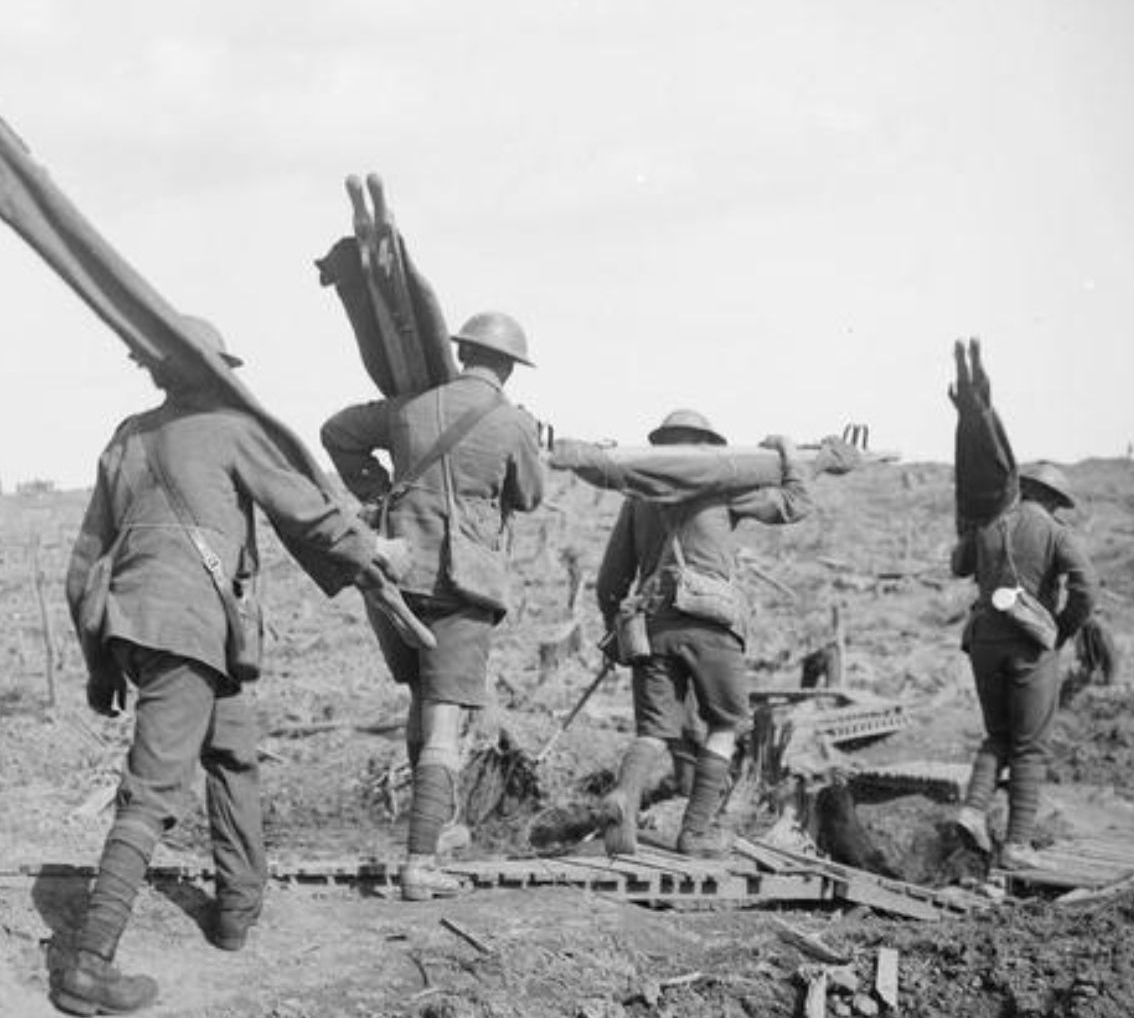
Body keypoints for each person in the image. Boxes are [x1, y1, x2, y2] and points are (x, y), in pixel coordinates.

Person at [55, 315, 408, 1017]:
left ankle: (236, 913)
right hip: (190, 630)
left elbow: (80, 571)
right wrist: (375, 553)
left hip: (155, 631)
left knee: (232, 752)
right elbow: (307, 513)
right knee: (152, 792)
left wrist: (100, 668)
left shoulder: (127, 437)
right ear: (215, 370)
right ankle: (89, 965)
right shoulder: (230, 429)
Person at [321, 311, 546, 899]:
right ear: (509, 369)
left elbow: (336, 431)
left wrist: (379, 494)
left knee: (422, 700)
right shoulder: (512, 422)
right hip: (460, 584)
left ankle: (436, 827)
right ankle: (421, 864)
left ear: (464, 353)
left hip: (393, 576)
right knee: (445, 721)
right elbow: (530, 496)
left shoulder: (410, 405)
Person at [592, 409, 810, 857]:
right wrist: (788, 452)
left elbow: (611, 578)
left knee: (653, 732)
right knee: (727, 725)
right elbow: (794, 505)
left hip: (652, 624)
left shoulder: (638, 497)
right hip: (712, 622)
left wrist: (614, 630)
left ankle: (624, 796)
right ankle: (694, 834)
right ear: (708, 446)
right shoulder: (723, 487)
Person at [949, 460, 1095, 869]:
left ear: (1025, 488)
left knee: (997, 734)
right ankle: (1017, 845)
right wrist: (1060, 630)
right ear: (1051, 499)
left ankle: (973, 811)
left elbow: (958, 566)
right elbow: (1088, 588)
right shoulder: (1054, 531)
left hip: (983, 642)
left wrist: (971, 530)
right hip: (1030, 647)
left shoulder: (989, 523)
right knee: (1030, 746)